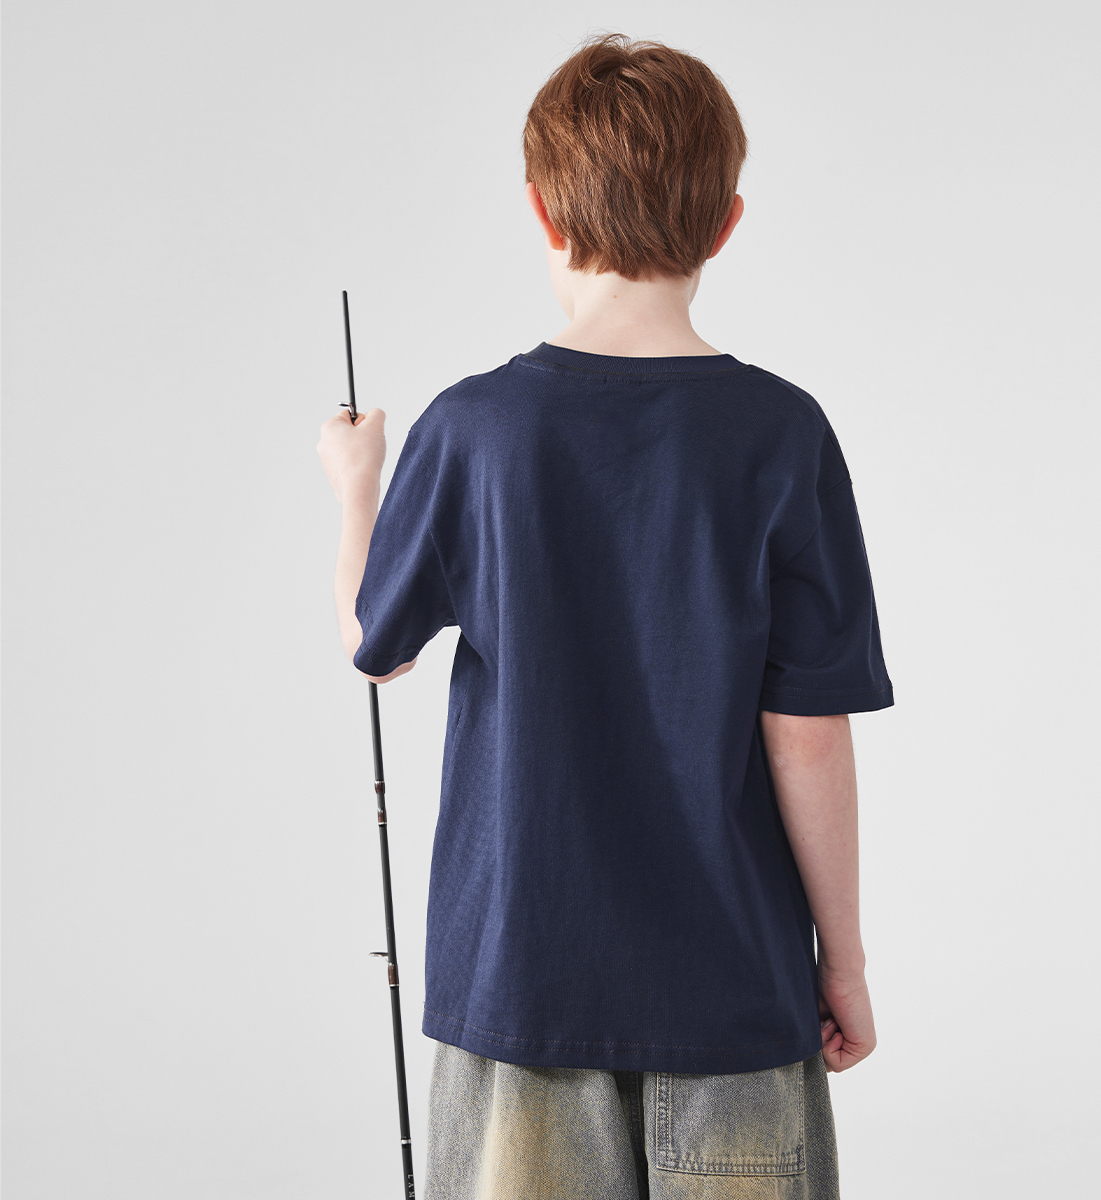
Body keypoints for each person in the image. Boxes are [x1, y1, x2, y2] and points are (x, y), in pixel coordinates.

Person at [317, 33, 893, 1200]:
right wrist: (843, 963)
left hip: (519, 992)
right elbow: (808, 735)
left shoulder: (473, 429)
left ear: (542, 211)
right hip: (735, 993)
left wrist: (358, 487)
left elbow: (375, 646)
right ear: (725, 223)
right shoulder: (782, 435)